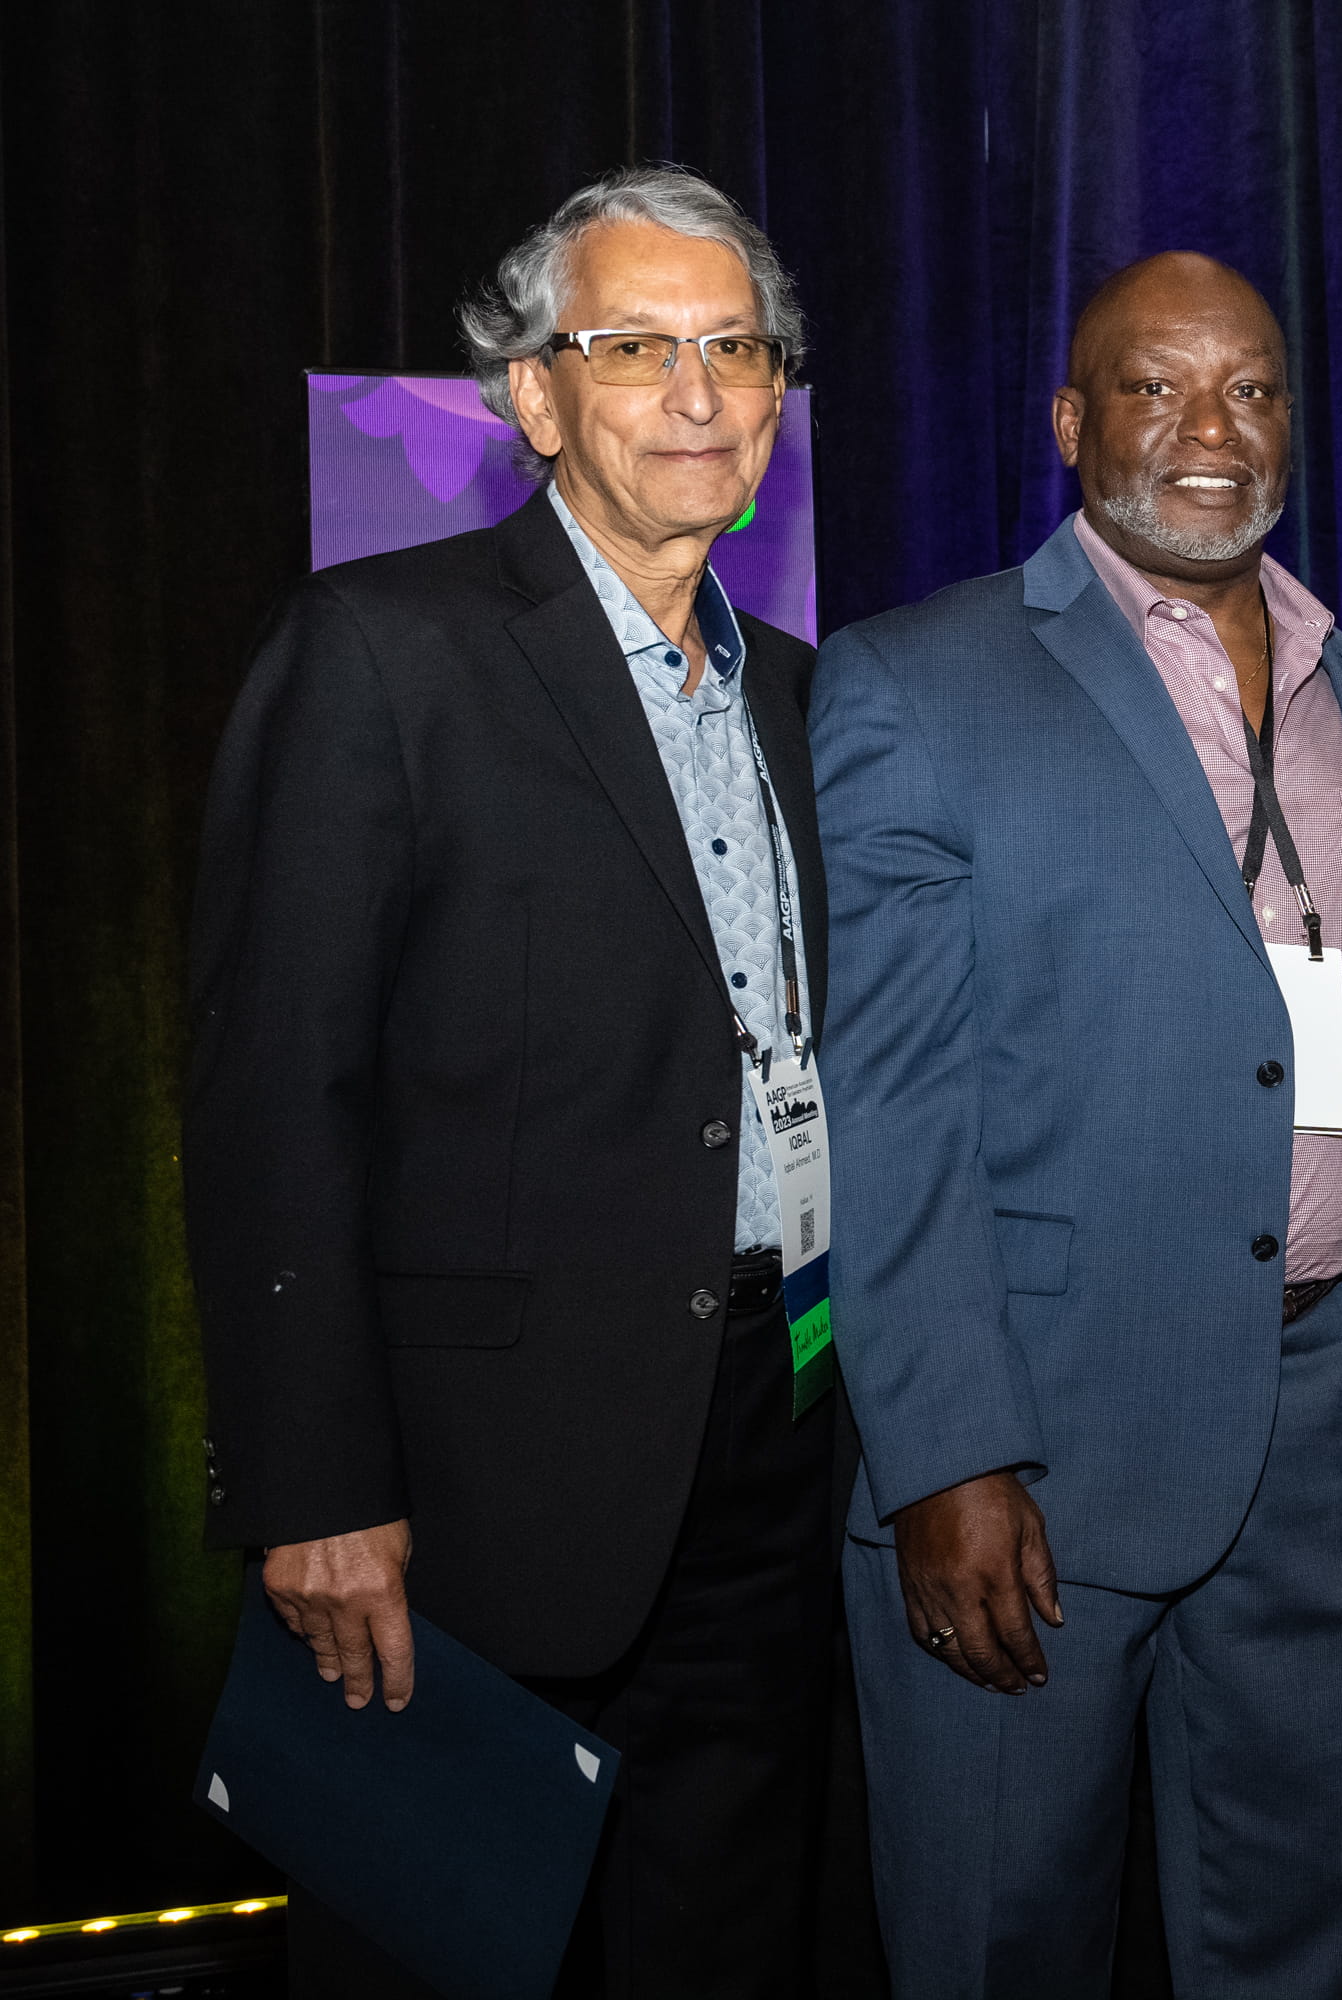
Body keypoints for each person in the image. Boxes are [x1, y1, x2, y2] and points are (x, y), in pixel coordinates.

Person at [188, 167, 845, 1993]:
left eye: (737, 349)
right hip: (471, 1491)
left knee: (719, 1940)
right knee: (453, 1955)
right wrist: (311, 1487)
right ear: (533, 398)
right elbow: (271, 1103)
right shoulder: (382, 653)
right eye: (633, 347)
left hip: (766, 1441)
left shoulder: (804, 694)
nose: (697, 394)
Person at [811, 252, 1342, 1999]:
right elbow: (893, 1102)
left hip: (1334, 1441)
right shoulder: (916, 680)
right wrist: (944, 1453)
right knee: (1002, 1942)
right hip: (1038, 1453)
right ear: (1074, 424)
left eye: (1249, 387)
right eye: (1157, 389)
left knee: (1323, 1944)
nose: (1212, 429)